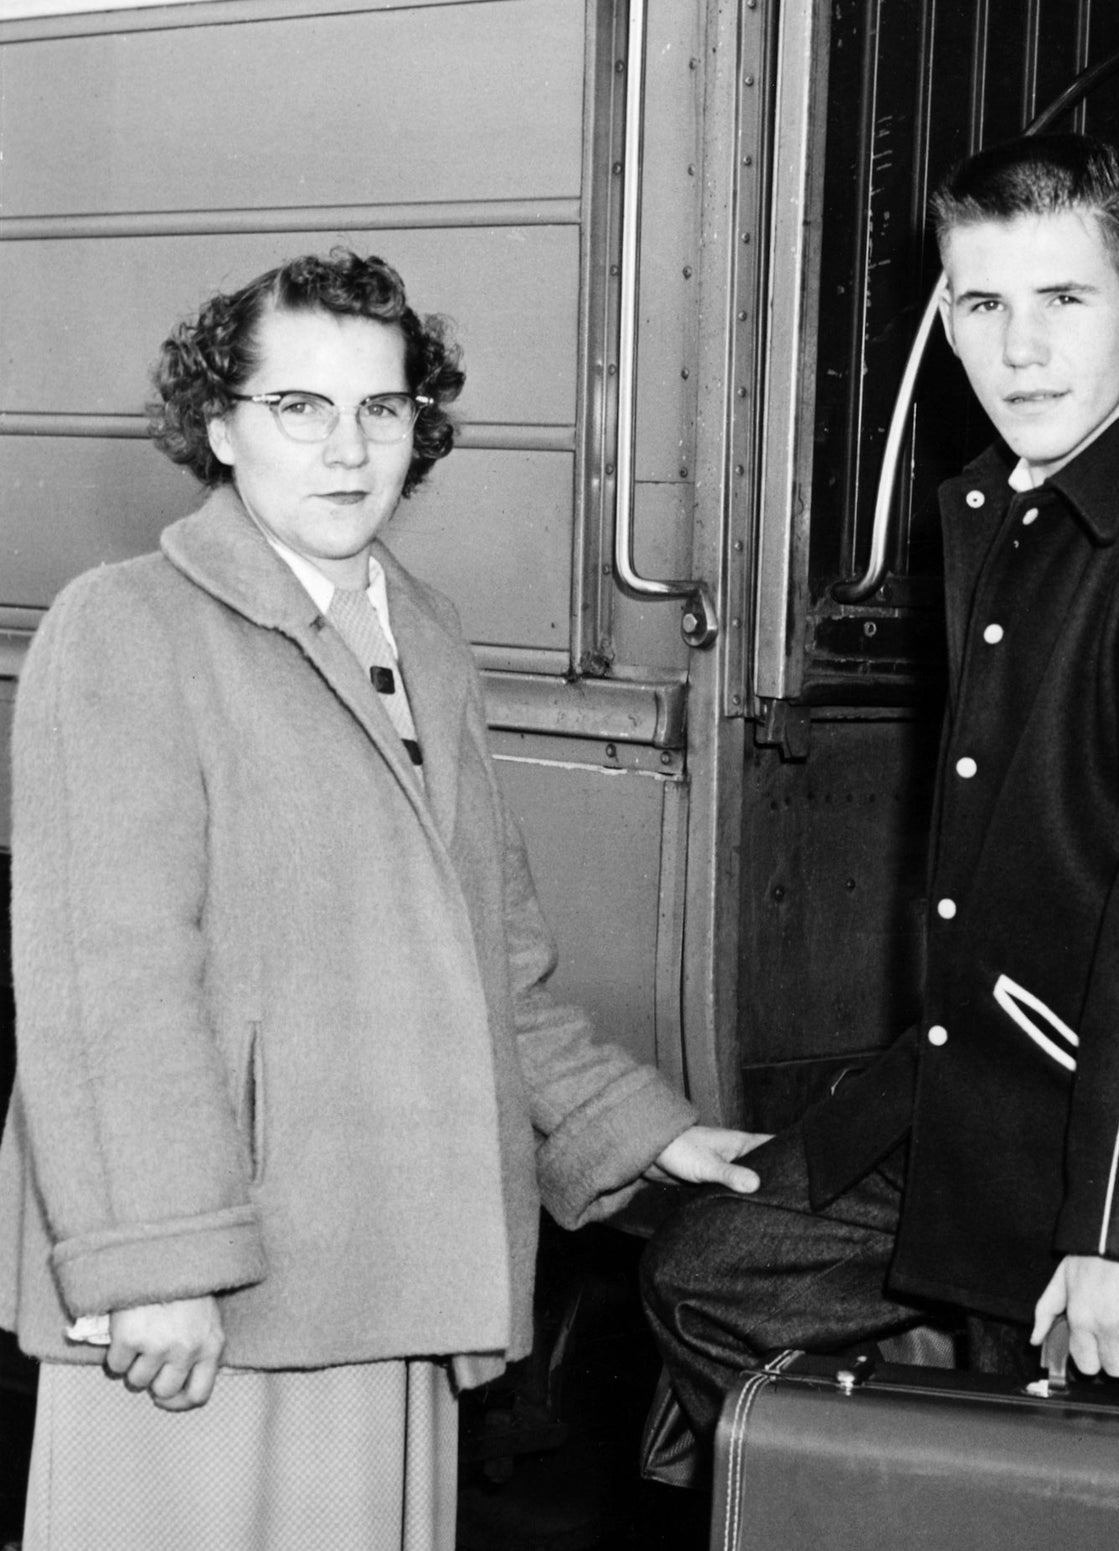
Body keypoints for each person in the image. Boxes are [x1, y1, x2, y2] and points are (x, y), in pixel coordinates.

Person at [0, 249, 765, 1551]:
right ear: (222, 427)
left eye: (384, 408)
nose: (349, 447)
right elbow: (106, 978)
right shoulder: (126, 624)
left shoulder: (424, 635)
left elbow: (489, 953)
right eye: (300, 406)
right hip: (217, 1292)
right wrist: (156, 1268)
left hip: (387, 1268)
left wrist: (634, 1130)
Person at [640, 133, 1119, 1450]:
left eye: (1063, 300)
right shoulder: (1001, 503)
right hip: (980, 1105)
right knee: (712, 1269)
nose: (1019, 349)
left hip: (1108, 1151)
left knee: (1050, 1475)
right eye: (981, 304)